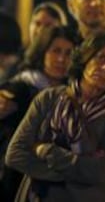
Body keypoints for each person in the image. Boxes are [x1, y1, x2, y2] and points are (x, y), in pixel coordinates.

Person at [5, 31, 105, 202]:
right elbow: (15, 155)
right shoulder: (49, 98)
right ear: (85, 59)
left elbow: (99, 174)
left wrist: (46, 150)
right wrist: (73, 171)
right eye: (101, 58)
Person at [0, 26, 79, 201]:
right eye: (55, 51)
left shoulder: (74, 95)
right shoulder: (21, 87)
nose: (61, 59)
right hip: (15, 178)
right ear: (42, 51)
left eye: (68, 53)